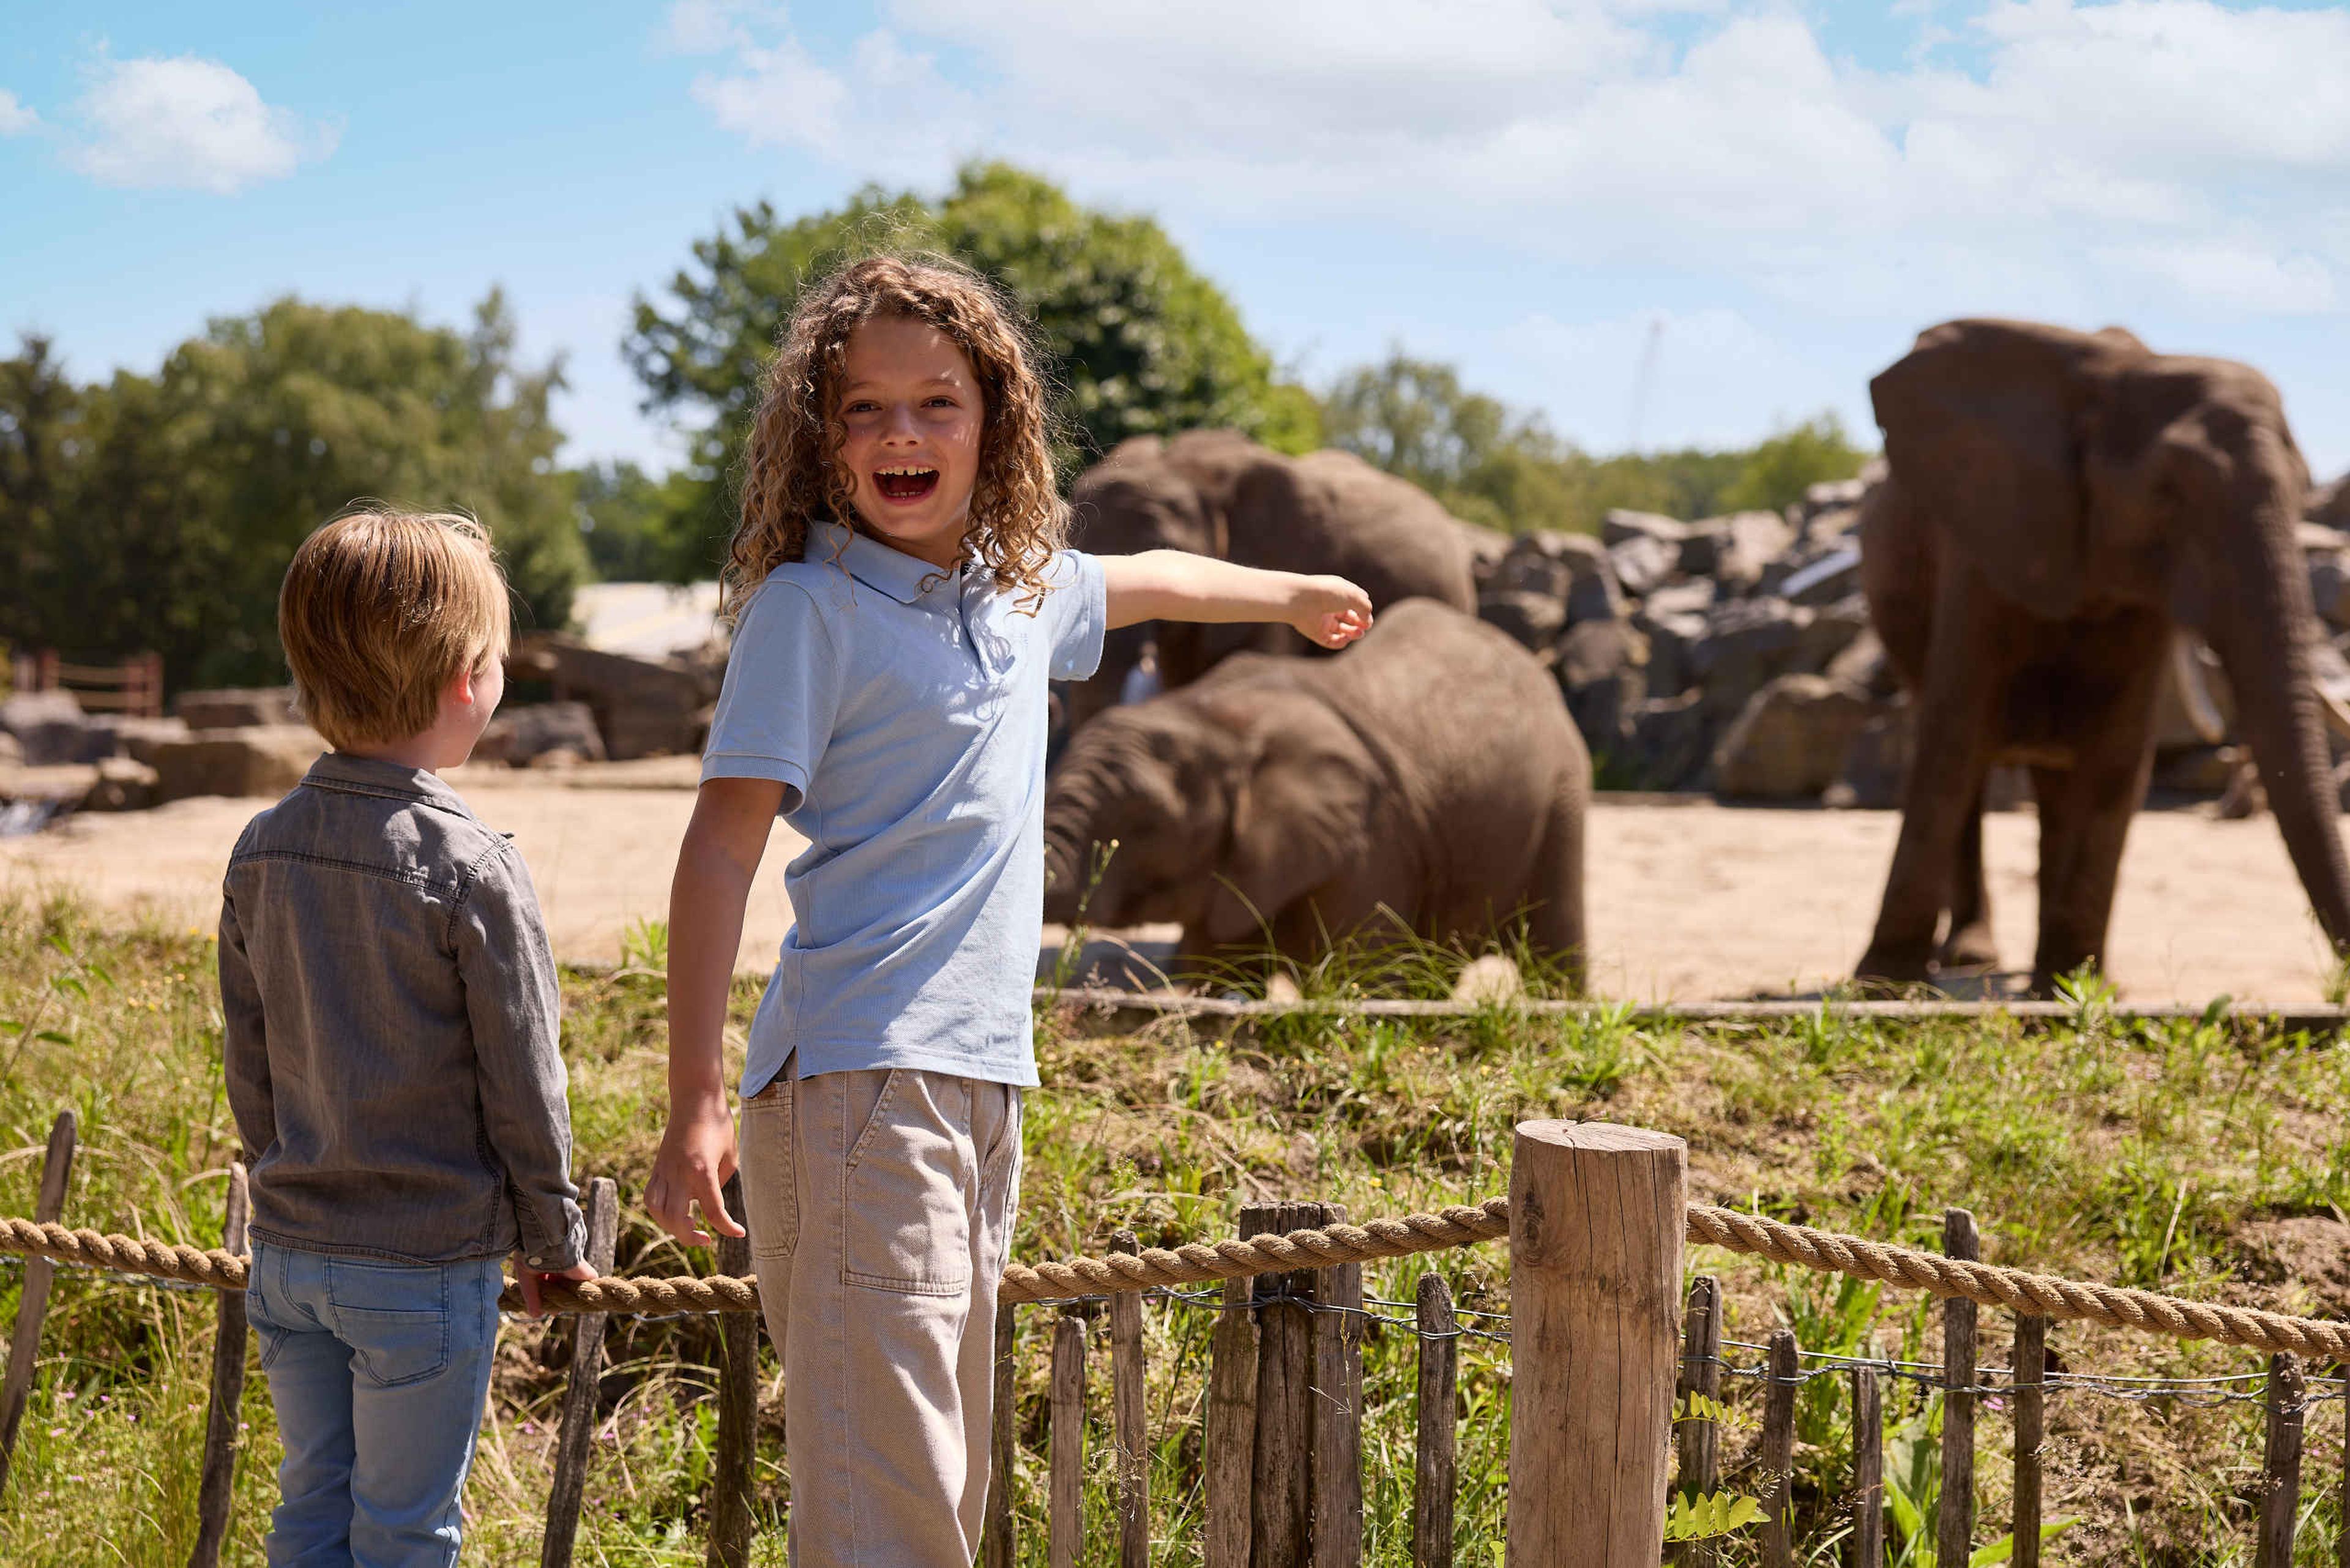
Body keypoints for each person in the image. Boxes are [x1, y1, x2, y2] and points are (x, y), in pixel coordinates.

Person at [644, 252, 1373, 1566]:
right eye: (863, 409)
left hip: (978, 1080)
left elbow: (1150, 575)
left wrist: (1291, 598)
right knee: (894, 1509)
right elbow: (717, 852)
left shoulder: (1014, 593)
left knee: (937, 1494)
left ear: (996, 425)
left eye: (936, 403)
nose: (901, 434)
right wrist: (693, 1099)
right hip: (862, 1079)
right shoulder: (809, 610)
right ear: (820, 436)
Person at [219, 507, 595, 1567]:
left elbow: (252, 1057)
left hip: (291, 1251)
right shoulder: (474, 864)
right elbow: (525, 1075)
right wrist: (554, 1238)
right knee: (407, 1530)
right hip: (421, 1264)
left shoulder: (262, 848)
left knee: (310, 1513)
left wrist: (281, 1176)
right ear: (467, 681)